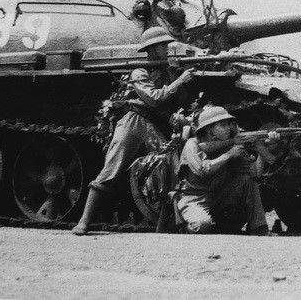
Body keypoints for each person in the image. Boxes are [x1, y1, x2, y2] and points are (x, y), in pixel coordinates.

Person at [73, 26, 194, 235]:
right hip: (133, 121)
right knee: (111, 170)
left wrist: (175, 76)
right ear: (151, 49)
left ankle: (168, 222)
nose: (167, 48)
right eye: (162, 45)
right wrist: (178, 81)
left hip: (153, 125)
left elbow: (179, 102)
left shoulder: (165, 71)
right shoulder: (140, 71)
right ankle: (84, 221)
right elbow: (153, 99)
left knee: (169, 168)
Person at [177, 105, 279, 235]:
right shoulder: (193, 144)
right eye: (223, 125)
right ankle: (186, 227)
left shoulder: (231, 145)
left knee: (248, 182)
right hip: (194, 198)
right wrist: (229, 154)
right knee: (203, 226)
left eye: (229, 125)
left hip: (219, 197)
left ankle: (259, 228)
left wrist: (263, 148)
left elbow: (254, 174)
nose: (228, 129)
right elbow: (202, 169)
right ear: (209, 130)